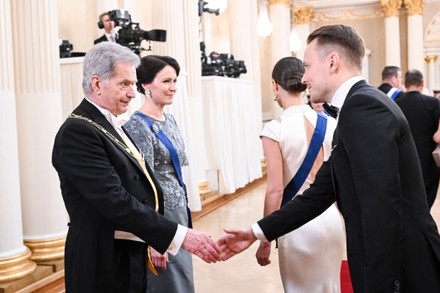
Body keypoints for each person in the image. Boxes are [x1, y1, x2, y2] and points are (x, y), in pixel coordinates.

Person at [218, 25, 440, 293]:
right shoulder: (357, 105)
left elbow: (381, 206)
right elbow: (319, 193)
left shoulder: (364, 107)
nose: (305, 77)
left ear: (332, 61)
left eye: (308, 66)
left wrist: (383, 284)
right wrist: (256, 232)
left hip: (402, 266)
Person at [52, 42, 220, 293]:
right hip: (102, 259)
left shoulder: (109, 123)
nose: (132, 93)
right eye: (125, 84)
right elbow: (113, 199)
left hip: (128, 251)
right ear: (97, 84)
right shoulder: (78, 131)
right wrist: (178, 235)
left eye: (132, 84)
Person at [258, 56, 344, 292]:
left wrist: (265, 238)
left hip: (296, 224)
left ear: (275, 86)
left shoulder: (274, 129)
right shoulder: (330, 124)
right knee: (331, 287)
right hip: (332, 219)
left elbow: (275, 190)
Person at [124, 55, 194, 293]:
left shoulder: (170, 119)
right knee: (168, 284)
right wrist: (154, 238)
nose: (173, 87)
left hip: (180, 212)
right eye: (166, 81)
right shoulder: (137, 126)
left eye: (174, 81)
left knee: (182, 278)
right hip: (161, 217)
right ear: (145, 85)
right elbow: (141, 186)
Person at [396, 69, 440, 209]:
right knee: (426, 203)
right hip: (429, 162)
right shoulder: (434, 103)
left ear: (405, 83)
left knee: (407, 202)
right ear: (422, 83)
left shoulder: (395, 104)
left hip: (402, 160)